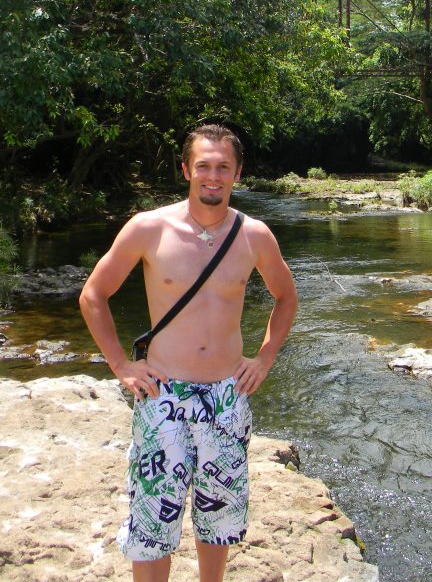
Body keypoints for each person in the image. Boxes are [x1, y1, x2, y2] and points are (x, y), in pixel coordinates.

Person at [79, 124, 297, 582]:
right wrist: (120, 364)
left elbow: (286, 297)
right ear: (186, 169)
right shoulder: (149, 228)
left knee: (218, 515)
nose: (212, 176)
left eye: (223, 167)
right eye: (203, 166)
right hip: (163, 395)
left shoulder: (254, 235)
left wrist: (265, 358)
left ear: (238, 173)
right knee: (153, 518)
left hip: (226, 396)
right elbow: (93, 295)